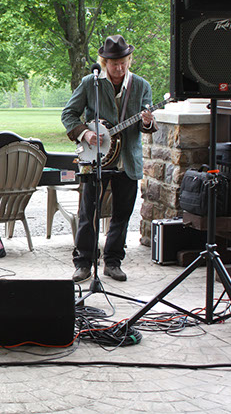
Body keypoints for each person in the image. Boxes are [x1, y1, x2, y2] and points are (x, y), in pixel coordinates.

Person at [61, 35, 157, 282]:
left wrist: (148, 122)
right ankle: (83, 262)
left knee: (122, 214)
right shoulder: (90, 83)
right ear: (104, 63)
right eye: (114, 64)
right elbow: (69, 114)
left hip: (127, 159)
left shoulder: (141, 85)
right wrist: (85, 133)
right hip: (95, 158)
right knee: (88, 212)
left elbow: (146, 125)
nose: (120, 68)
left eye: (124, 63)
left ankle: (113, 262)